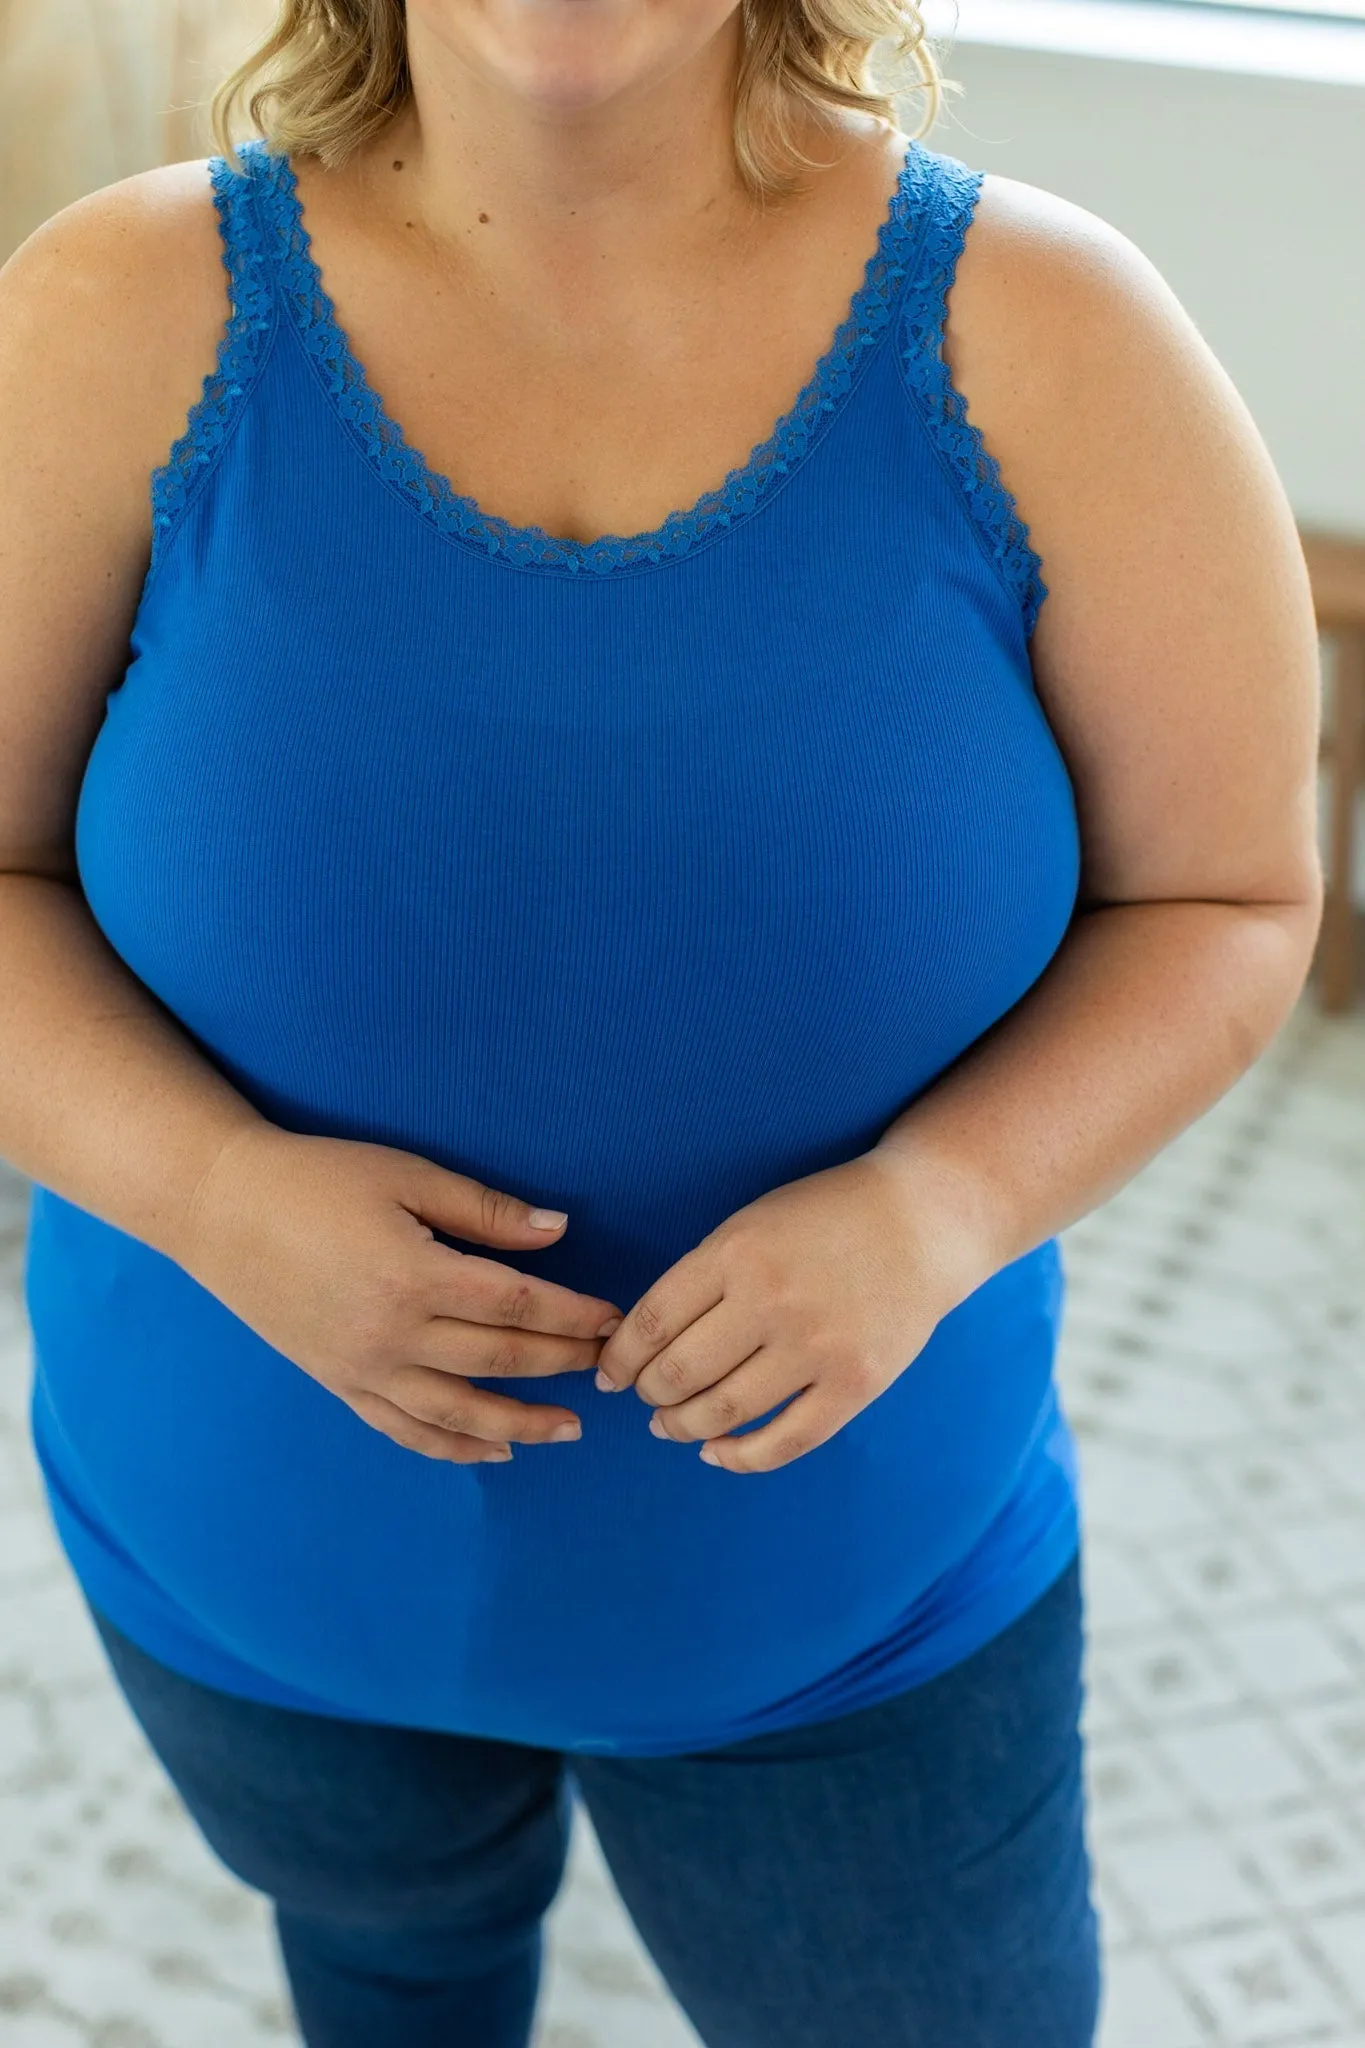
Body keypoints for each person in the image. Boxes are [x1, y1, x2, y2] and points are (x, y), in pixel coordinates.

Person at [0, 0, 1323, 2038]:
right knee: (384, 1963)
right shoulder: (116, 311)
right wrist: (208, 1192)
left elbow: (1227, 899)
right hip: (240, 1574)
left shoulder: (1050, 335)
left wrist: (940, 1208)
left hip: (856, 1623)